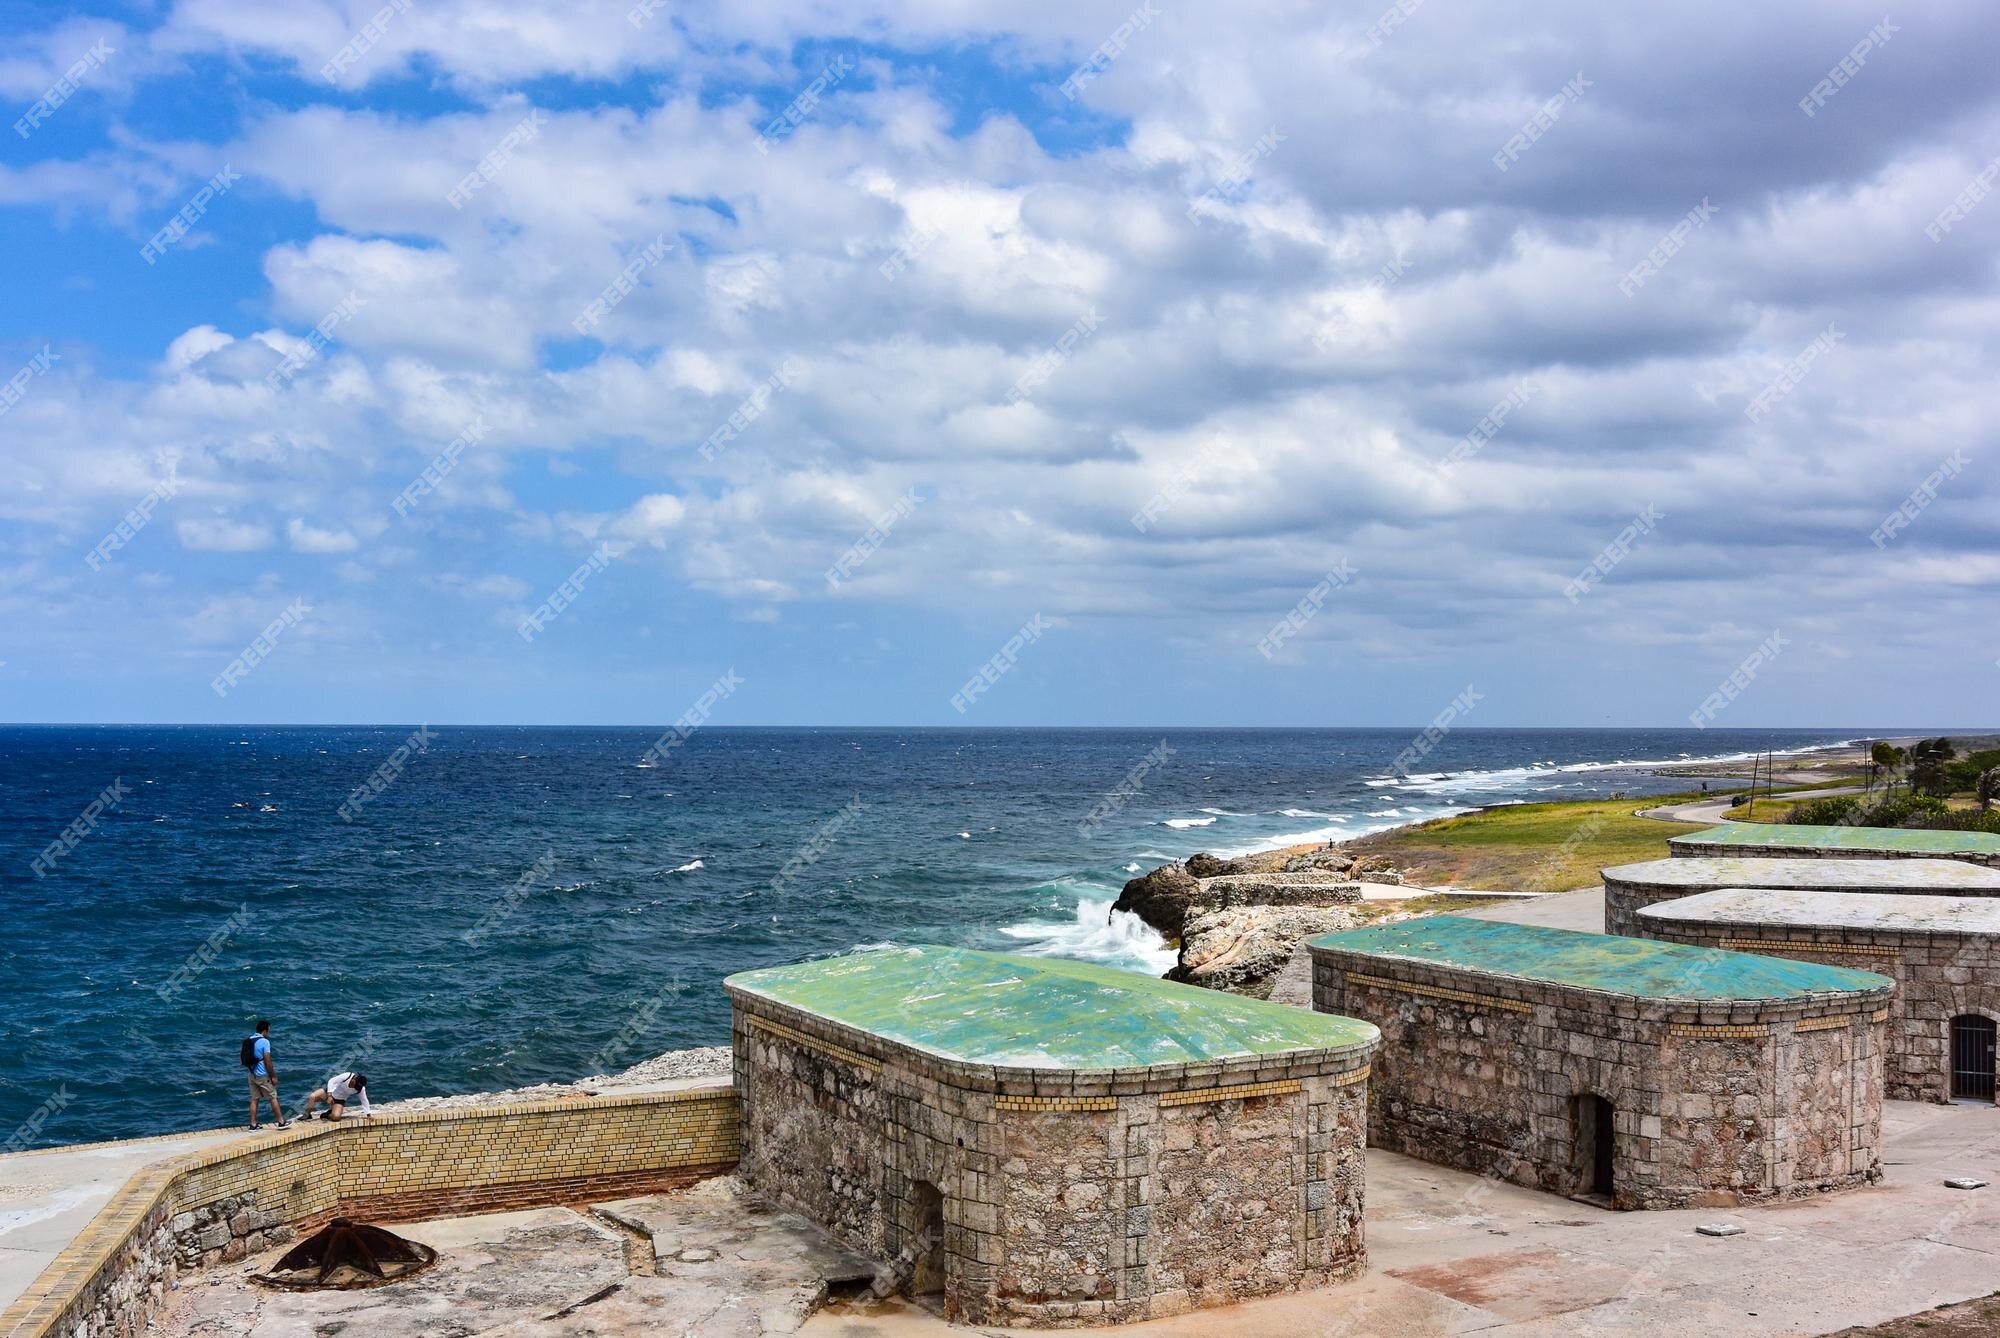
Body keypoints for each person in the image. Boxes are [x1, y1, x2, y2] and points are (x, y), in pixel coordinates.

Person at [243, 1020, 288, 1130]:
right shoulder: (264, 1042)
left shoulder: (249, 1039)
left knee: (254, 1099)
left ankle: (253, 1124)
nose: (269, 1032)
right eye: (269, 1030)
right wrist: (273, 1076)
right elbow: (267, 1060)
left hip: (251, 1074)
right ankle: (281, 1122)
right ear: (265, 1030)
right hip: (262, 1075)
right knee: (273, 1097)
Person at [300, 1072, 372, 1121]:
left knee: (336, 1117)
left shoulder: (360, 1089)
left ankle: (327, 1114)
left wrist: (368, 1114)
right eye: (356, 1085)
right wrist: (329, 1095)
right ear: (354, 1079)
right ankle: (307, 1115)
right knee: (313, 1096)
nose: (355, 1087)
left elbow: (364, 1100)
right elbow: (332, 1081)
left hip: (339, 1100)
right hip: (330, 1092)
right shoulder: (347, 1076)